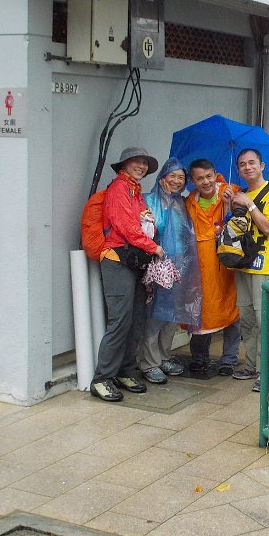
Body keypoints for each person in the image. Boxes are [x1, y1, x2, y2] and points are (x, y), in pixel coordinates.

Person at [91, 147, 165, 403]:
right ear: (125, 164)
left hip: (132, 260)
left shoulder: (135, 192)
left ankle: (125, 370)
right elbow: (124, 226)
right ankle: (102, 378)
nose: (142, 166)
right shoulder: (119, 189)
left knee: (136, 319)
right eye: (138, 161)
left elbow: (140, 225)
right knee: (120, 320)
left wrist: (149, 222)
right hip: (116, 259)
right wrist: (153, 247)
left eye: (145, 163)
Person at [137, 158, 202, 384]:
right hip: (158, 268)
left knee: (172, 317)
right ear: (162, 177)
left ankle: (164, 357)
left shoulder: (183, 204)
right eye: (172, 176)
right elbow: (149, 231)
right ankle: (149, 362)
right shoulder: (148, 201)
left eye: (181, 178)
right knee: (155, 316)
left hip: (181, 268)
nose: (176, 181)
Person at [230, 149, 269, 392]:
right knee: (247, 319)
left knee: (265, 320)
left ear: (262, 165)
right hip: (242, 264)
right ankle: (251, 365)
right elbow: (234, 230)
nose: (247, 167)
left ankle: (268, 372)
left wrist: (249, 204)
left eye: (251, 163)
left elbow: (267, 228)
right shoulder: (239, 194)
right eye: (242, 164)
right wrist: (228, 206)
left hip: (265, 265)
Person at [184, 159, 242, 376]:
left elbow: (243, 221)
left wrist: (230, 204)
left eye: (209, 176)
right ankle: (199, 357)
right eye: (200, 178)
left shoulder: (232, 192)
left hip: (227, 263)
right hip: (199, 266)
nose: (206, 182)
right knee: (201, 312)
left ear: (215, 174)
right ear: (193, 181)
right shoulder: (189, 202)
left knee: (231, 309)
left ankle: (229, 359)